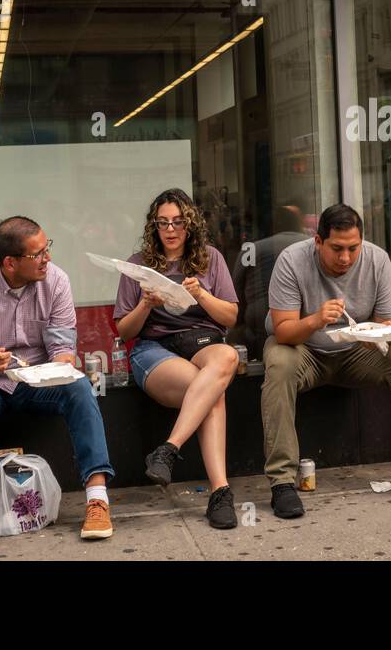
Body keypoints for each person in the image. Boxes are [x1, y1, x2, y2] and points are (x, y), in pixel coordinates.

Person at [0, 216, 115, 559]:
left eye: (47, 248)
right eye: (38, 254)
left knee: (79, 387)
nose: (47, 258)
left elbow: (63, 352)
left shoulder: (56, 280)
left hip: (37, 382)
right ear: (10, 262)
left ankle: (97, 500)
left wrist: (56, 367)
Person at [262, 204, 391, 518]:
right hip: (303, 348)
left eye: (352, 248)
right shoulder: (292, 260)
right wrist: (317, 320)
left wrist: (379, 331)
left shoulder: (376, 260)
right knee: (278, 365)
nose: (345, 258)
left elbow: (390, 323)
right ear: (318, 241)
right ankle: (282, 482)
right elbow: (283, 331)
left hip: (357, 352)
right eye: (336, 249)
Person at [114, 188, 241, 529]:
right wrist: (145, 304)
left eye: (178, 222)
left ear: (191, 224)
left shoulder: (210, 258)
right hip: (154, 348)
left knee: (226, 357)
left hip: (201, 341)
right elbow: (124, 331)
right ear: (153, 227)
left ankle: (168, 449)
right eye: (163, 223)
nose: (170, 230)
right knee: (211, 392)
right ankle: (220, 492)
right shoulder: (138, 263)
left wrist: (202, 294)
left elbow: (229, 317)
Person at [230, 203, 306, 360]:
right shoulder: (313, 247)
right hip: (304, 326)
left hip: (257, 327)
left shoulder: (253, 248)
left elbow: (235, 294)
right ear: (298, 224)